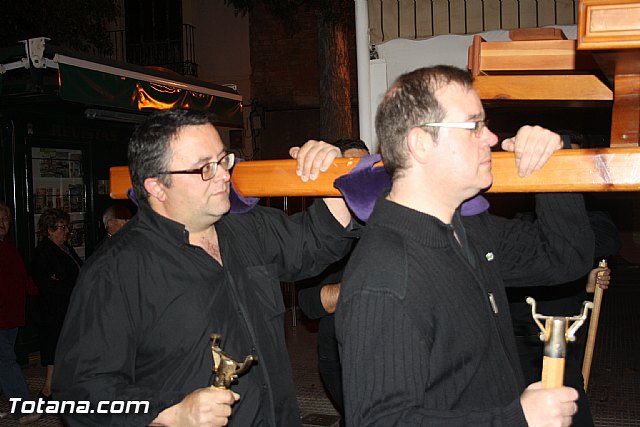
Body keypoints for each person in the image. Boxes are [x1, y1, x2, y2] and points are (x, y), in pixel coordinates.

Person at [52, 108, 357, 426]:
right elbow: (78, 396)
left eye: (224, 160)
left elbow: (317, 241)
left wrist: (332, 172)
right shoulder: (116, 271)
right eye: (205, 168)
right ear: (157, 186)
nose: (225, 175)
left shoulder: (246, 228)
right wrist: (169, 413)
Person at [335, 65, 594, 426]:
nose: (490, 137)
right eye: (473, 126)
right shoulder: (386, 275)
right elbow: (381, 422)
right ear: (420, 142)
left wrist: (551, 164)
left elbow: (566, 257)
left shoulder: (467, 230)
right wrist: (516, 419)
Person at [507, 210, 621, 427]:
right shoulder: (520, 227)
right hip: (520, 344)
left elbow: (606, 240)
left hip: (559, 343)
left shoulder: (589, 220)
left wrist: (584, 284)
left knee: (571, 414)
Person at [297, 138, 369, 422]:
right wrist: (373, 282)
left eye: (368, 170)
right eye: (350, 170)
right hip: (340, 357)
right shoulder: (319, 234)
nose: (361, 179)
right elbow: (311, 304)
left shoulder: (386, 218)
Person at [31, 208, 83, 401]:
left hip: (67, 308)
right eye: (62, 227)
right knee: (54, 350)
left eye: (67, 227)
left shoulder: (65, 248)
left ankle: (55, 389)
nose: (67, 231)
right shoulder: (43, 252)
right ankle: (47, 391)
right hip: (52, 310)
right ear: (50, 229)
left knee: (65, 350)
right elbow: (48, 283)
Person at [0, 202, 41, 424]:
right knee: (7, 361)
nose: (1, 223)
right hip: (4, 316)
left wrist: (33, 290)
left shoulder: (9, 247)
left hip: (12, 316)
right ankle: (23, 408)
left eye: (5, 218)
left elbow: (20, 277)